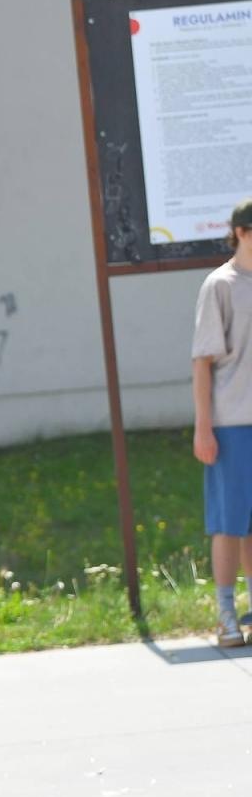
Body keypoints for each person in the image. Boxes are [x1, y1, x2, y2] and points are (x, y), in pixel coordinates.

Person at [191, 198, 252, 649]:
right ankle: (226, 613)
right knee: (229, 524)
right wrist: (203, 427)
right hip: (232, 424)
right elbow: (202, 362)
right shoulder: (220, 286)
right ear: (241, 233)